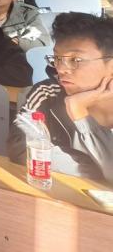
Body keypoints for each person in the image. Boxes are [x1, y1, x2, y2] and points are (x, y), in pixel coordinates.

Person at [7, 12, 113, 183]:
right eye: (57, 58)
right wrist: (95, 170)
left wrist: (79, 113)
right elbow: (21, 147)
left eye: (76, 60)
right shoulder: (47, 93)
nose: (61, 69)